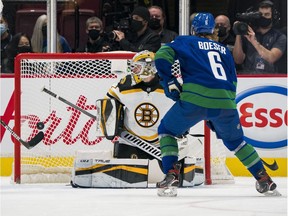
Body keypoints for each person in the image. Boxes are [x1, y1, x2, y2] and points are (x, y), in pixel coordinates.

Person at [154, 12, 280, 196]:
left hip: (194, 99)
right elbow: (233, 80)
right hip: (225, 103)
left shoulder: (185, 41)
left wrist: (169, 81)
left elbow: (161, 56)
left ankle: (171, 175)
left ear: (194, 29)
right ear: (213, 30)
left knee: (167, 130)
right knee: (236, 142)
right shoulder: (224, 50)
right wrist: (222, 108)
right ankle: (264, 179)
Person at [232, 0, 287, 74]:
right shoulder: (248, 33)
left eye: (267, 14)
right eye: (261, 15)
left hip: (270, 78)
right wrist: (238, 33)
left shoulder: (280, 36)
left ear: (273, 17)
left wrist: (254, 41)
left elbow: (272, 58)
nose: (263, 17)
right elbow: (238, 60)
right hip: (247, 77)